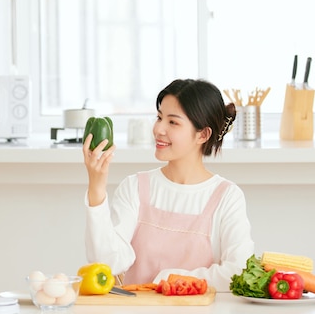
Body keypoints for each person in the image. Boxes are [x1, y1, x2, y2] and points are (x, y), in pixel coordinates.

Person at [82, 78, 255, 292]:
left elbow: (237, 272)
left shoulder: (226, 197)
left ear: (203, 134)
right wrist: (96, 186)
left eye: (173, 122)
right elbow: (107, 264)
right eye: (159, 117)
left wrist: (172, 278)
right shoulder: (135, 187)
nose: (158, 129)